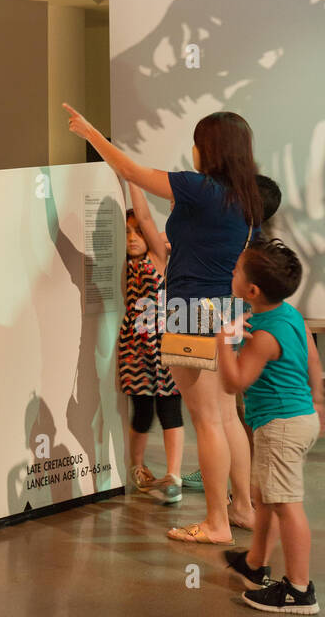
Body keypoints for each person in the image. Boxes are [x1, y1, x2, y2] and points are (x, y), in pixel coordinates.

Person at [62, 104, 261, 545]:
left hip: (189, 311)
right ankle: (242, 508)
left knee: (206, 420)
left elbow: (130, 169)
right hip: (227, 312)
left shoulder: (198, 188)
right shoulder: (245, 198)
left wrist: (90, 131)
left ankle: (216, 523)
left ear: (208, 148)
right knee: (226, 418)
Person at [217, 239, 321, 613]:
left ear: (252, 290)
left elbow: (233, 383)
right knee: (267, 498)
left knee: (286, 506)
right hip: (297, 419)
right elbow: (311, 356)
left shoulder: (260, 336)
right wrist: (317, 401)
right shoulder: (289, 314)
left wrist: (224, 343)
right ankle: (255, 564)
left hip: (279, 427)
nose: (232, 272)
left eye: (236, 270)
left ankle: (298, 589)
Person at [182, 173, 282, 491]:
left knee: (215, 415)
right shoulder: (249, 236)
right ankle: (240, 498)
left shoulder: (240, 236)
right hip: (229, 316)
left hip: (211, 313)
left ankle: (225, 507)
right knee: (227, 412)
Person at [116, 182, 183, 503]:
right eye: (126, 233)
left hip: (164, 344)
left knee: (170, 409)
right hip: (135, 348)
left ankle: (173, 474)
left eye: (137, 232)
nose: (131, 238)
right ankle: (138, 468)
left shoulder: (156, 259)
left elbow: (146, 218)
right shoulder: (123, 266)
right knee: (142, 411)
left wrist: (132, 178)